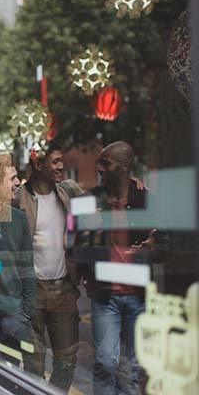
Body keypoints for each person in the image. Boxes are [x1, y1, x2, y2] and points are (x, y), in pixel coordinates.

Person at [74, 141, 165, 394]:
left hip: (138, 296)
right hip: (106, 297)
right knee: (105, 361)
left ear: (124, 168)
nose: (99, 167)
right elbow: (75, 248)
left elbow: (165, 247)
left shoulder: (145, 199)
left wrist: (152, 249)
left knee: (130, 368)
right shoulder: (87, 200)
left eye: (106, 163)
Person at [16, 142, 83, 390]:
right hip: (33, 291)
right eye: (55, 161)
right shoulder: (19, 198)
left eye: (61, 161)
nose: (61, 166)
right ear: (38, 164)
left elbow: (101, 198)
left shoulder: (68, 191)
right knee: (33, 363)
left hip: (64, 289)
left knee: (67, 362)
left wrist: (131, 183)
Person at [0, 154, 35, 369]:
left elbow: (27, 267)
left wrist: (26, 312)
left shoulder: (18, 219)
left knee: (11, 377)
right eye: (12, 178)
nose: (18, 182)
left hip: (15, 317)